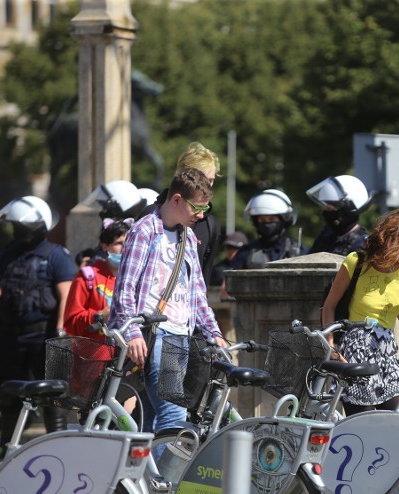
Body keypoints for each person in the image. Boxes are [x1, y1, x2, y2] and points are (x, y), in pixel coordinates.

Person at [109, 168, 226, 434]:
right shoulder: (145, 230)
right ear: (176, 200)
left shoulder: (188, 235)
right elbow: (125, 288)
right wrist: (133, 332)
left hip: (179, 334)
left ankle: (142, 475)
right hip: (156, 333)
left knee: (151, 417)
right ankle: (166, 477)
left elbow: (197, 292)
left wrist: (213, 332)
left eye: (205, 207)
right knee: (174, 414)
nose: (202, 215)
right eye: (197, 207)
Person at [322, 208, 399, 415]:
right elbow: (329, 306)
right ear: (392, 239)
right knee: (365, 424)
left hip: (387, 350)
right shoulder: (358, 261)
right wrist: (331, 346)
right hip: (354, 350)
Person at [0, 195, 75, 446]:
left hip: (43, 337)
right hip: (11, 337)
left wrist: (60, 333)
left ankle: (57, 448)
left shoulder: (56, 255)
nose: (18, 231)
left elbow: (66, 295)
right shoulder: (9, 255)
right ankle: (6, 456)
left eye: (22, 227)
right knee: (8, 397)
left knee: (52, 397)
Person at [141, 142, 223, 279]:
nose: (207, 186)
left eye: (211, 180)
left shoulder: (211, 226)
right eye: (201, 179)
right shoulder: (149, 217)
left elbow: (203, 279)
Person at [63, 218, 132, 341]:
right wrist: (99, 316)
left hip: (126, 356)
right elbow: (71, 323)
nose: (125, 248)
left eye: (128, 243)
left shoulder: (136, 277)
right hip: (93, 356)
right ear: (105, 246)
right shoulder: (87, 277)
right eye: (119, 243)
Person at [230, 189, 307, 269]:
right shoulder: (246, 252)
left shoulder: (299, 251)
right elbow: (229, 279)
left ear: (283, 220)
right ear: (256, 222)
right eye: (262, 220)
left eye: (271, 219)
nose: (266, 224)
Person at [306, 175, 371, 255]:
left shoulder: (362, 245)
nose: (325, 212)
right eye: (325, 207)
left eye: (330, 208)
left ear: (346, 210)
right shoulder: (325, 238)